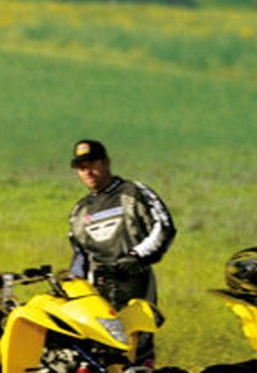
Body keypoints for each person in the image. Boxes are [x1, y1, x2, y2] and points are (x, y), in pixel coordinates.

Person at [67, 138, 176, 361]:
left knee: (137, 343)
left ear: (106, 163)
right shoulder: (80, 210)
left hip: (134, 280)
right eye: (82, 167)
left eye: (92, 164)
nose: (88, 172)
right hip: (96, 287)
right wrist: (72, 283)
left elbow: (163, 226)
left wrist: (136, 257)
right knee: (95, 348)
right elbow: (80, 254)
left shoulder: (133, 192)